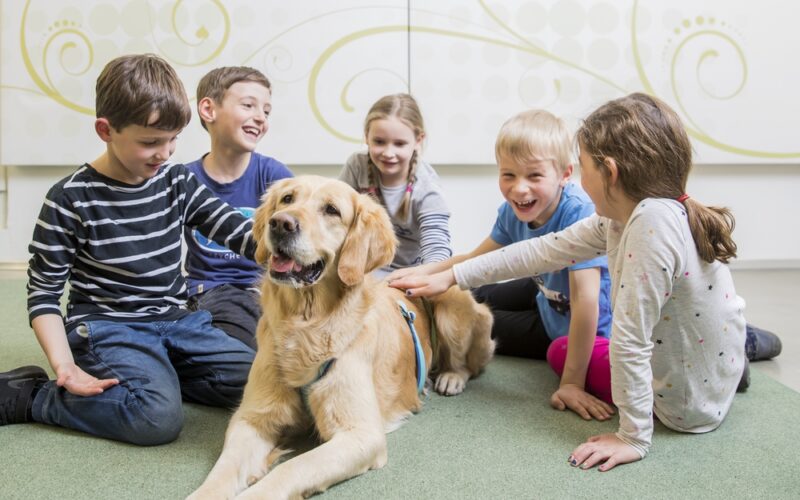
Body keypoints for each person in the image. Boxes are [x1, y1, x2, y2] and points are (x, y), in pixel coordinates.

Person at [389, 93, 779, 471]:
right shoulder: (636, 214)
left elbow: (630, 341)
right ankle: (738, 356)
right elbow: (540, 252)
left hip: (684, 407)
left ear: (609, 171)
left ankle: (733, 362)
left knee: (561, 351)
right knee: (559, 339)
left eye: (583, 165)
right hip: (709, 378)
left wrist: (632, 437)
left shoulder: (649, 227)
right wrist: (451, 274)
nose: (581, 178)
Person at [0, 54, 257, 445]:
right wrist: (64, 365)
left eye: (174, 139)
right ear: (106, 130)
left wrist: (299, 248)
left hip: (179, 321)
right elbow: (44, 294)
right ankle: (31, 396)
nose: (166, 152)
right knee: (155, 420)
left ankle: (159, 376)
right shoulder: (69, 199)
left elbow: (236, 230)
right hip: (110, 327)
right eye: (151, 142)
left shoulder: (177, 180)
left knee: (269, 383)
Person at [388, 110, 615, 421]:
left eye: (534, 176)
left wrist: (573, 382)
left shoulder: (580, 214)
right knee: (475, 294)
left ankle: (464, 364)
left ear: (564, 174)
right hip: (544, 292)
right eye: (508, 175)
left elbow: (585, 302)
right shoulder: (513, 211)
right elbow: (476, 263)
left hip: (570, 324)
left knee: (481, 323)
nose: (519, 189)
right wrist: (423, 272)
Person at [184, 66, 293, 350]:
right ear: (208, 110)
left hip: (265, 288)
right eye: (248, 105)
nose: (261, 118)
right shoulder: (184, 180)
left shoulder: (274, 176)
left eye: (267, 111)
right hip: (208, 290)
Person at [339, 93, 451, 277]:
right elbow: (333, 218)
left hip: (409, 275)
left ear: (418, 140)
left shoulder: (427, 188)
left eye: (399, 144)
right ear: (367, 136)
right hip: (361, 270)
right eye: (379, 142)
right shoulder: (356, 166)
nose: (388, 153)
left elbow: (437, 254)